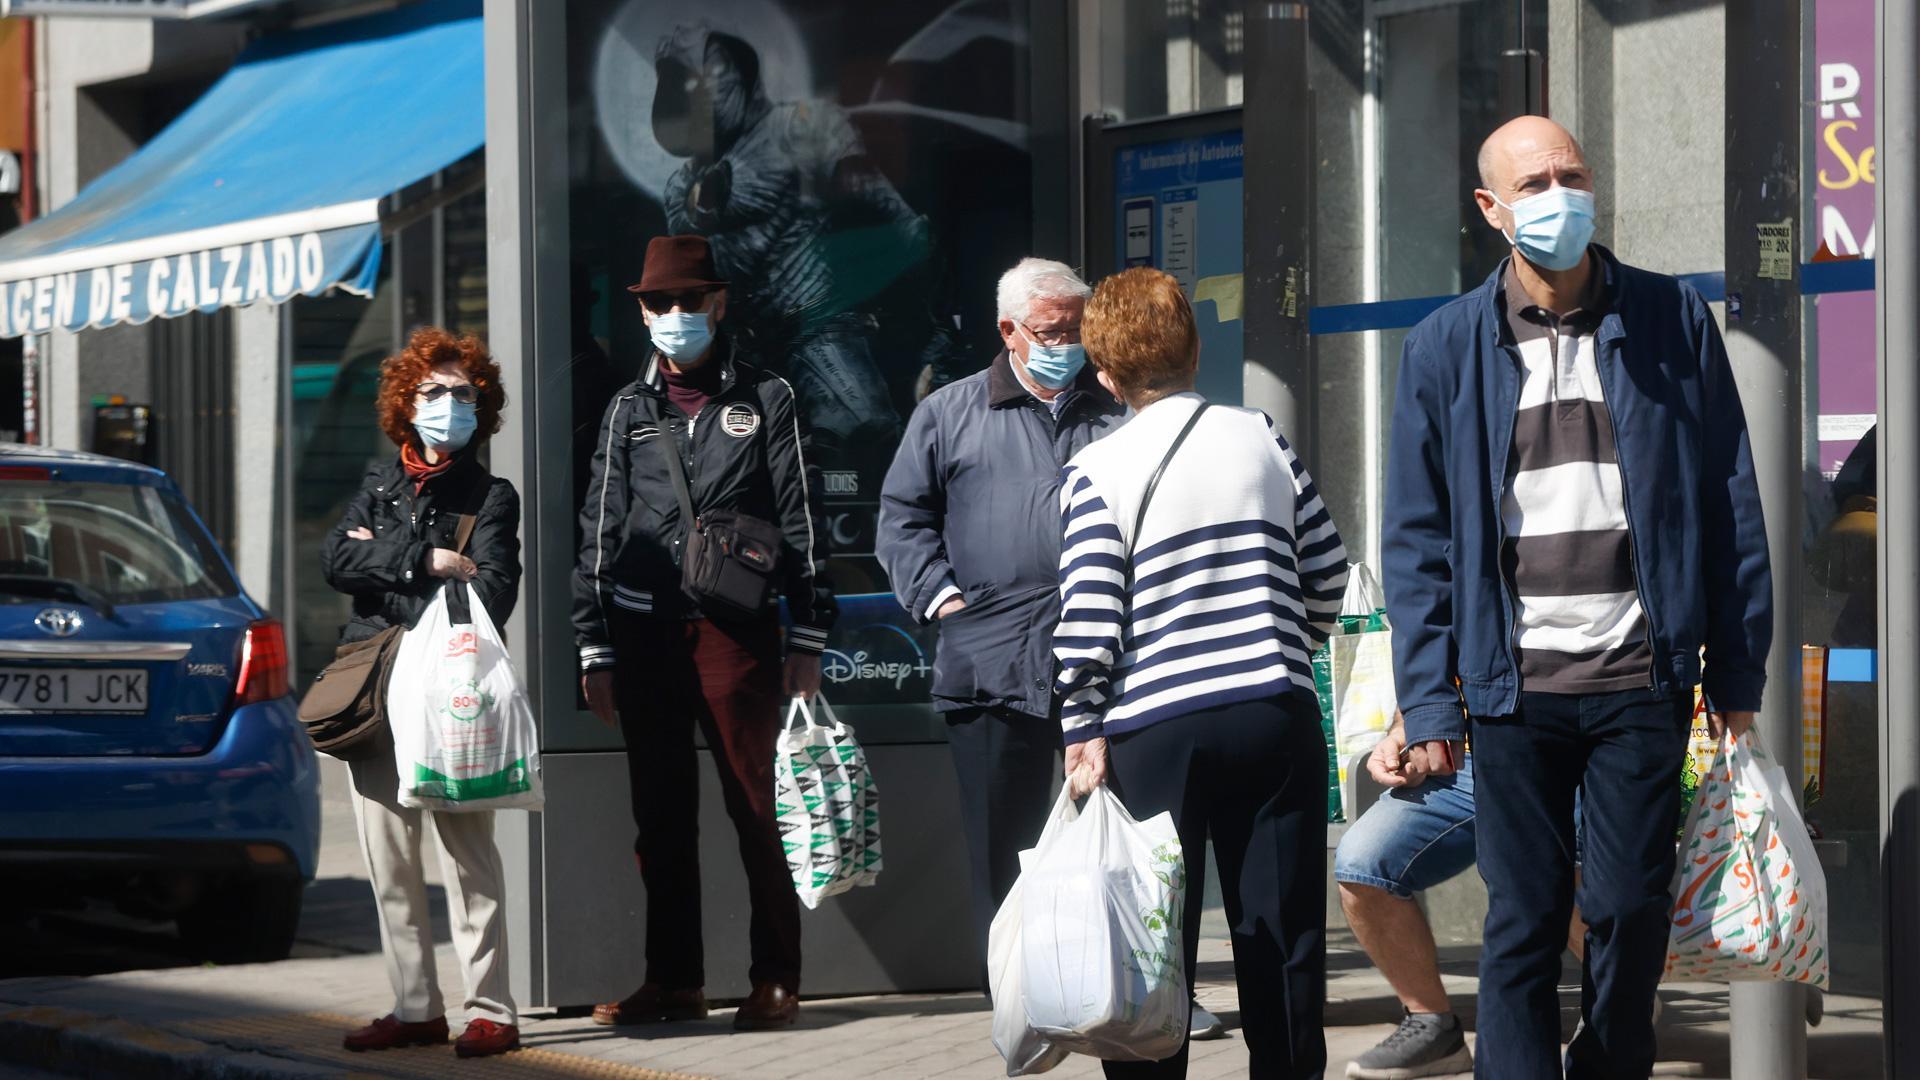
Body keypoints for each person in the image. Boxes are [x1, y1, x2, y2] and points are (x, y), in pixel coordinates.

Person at [1384, 115, 1771, 1079]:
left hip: (1642, 675)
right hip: (1513, 688)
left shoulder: (1670, 318)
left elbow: (1729, 499)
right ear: (1491, 210)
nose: (1560, 195)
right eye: (1535, 182)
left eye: (1573, 173)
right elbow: (1417, 542)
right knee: (1520, 921)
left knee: (1629, 909)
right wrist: (1431, 702)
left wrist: (1736, 667)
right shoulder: (1443, 348)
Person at [1055, 266, 1348, 1079]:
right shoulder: (1260, 436)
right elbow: (1326, 572)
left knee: (1152, 940)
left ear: (1106, 377)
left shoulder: (1097, 470)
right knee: (1282, 933)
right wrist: (1284, 641)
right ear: (1194, 348)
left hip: (1153, 730)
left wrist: (1081, 727)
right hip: (1272, 708)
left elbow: (1087, 624)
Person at [574, 234, 837, 1031]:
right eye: (660, 303)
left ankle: (777, 978)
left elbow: (802, 520)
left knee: (755, 808)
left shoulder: (767, 398)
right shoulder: (628, 408)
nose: (675, 316)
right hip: (646, 638)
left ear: (719, 305)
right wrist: (595, 647)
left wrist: (808, 634)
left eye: (690, 301)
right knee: (659, 818)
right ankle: (674, 981)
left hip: (737, 635)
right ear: (643, 310)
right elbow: (599, 531)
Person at [874, 257, 1122, 978]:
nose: (1067, 341)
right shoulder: (949, 412)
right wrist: (943, 599)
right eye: (1051, 329)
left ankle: (1136, 984)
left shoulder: (1116, 407)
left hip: (1105, 663)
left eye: (1078, 328)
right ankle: (1018, 993)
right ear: (1009, 330)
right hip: (989, 664)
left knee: (1117, 836)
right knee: (1003, 847)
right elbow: (901, 520)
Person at [322, 327, 523, 1059]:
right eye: (434, 391)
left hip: (449, 691)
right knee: (388, 858)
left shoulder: (491, 495)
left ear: (483, 407)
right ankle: (415, 1008)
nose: (449, 404)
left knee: (469, 857)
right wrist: (427, 559)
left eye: (463, 393)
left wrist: (392, 569)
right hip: (375, 690)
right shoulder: (380, 483)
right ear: (407, 404)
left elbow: (495, 587)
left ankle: (492, 1010)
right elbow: (337, 559)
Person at [1335, 716, 1595, 1079]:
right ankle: (1431, 1024)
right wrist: (1403, 732)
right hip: (1458, 762)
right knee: (1362, 864)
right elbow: (1423, 668)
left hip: (1554, 745)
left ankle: (1618, 999)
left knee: (1552, 873)